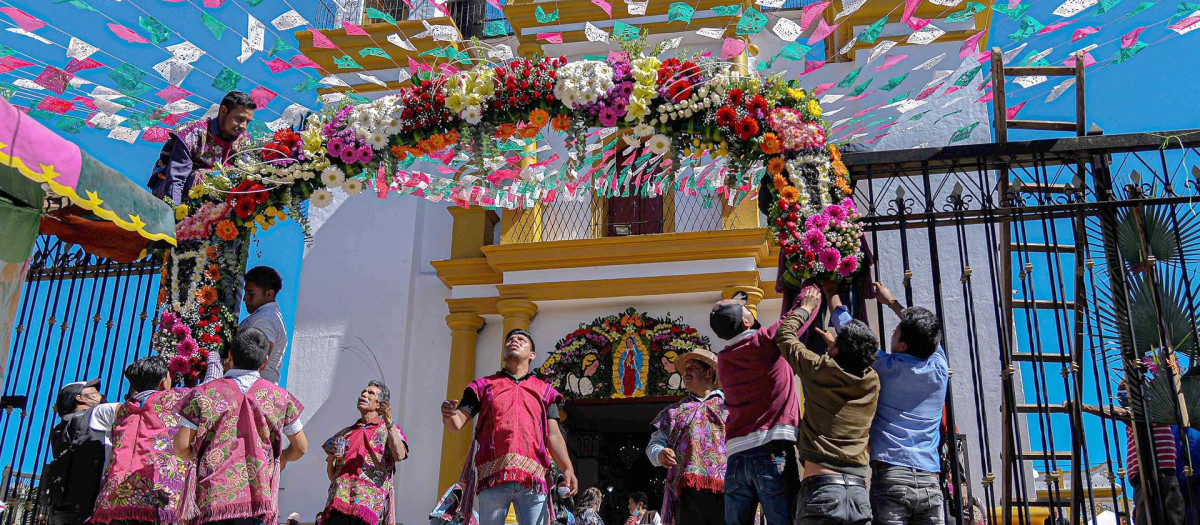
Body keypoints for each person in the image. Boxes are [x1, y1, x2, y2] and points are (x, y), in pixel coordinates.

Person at [828, 281, 947, 525]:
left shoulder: (885, 366)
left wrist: (832, 294)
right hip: (930, 478)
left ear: (902, 345)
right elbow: (927, 335)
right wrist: (892, 303)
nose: (893, 331)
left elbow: (851, 332)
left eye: (897, 331)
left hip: (892, 474)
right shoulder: (939, 367)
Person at [441, 328, 578, 525]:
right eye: (510, 340)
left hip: (533, 482)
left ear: (532, 355)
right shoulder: (483, 386)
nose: (514, 341)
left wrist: (567, 469)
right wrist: (448, 415)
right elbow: (456, 424)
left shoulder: (545, 392)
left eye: (521, 339)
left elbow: (553, 435)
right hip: (493, 478)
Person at [173, 327, 308, 525]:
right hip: (257, 499)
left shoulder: (203, 393)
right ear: (264, 362)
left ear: (230, 355)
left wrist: (198, 458)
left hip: (212, 493)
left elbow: (181, 446)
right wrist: (282, 459)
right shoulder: (280, 397)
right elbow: (301, 447)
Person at [777, 285, 880, 525]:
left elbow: (784, 336)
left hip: (821, 487)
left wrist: (805, 309)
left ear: (836, 350)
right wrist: (838, 349)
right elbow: (851, 363)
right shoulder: (872, 381)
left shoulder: (818, 369)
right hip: (857, 491)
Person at [709, 290, 804, 525]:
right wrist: (808, 290)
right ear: (745, 320)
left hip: (737, 455)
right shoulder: (765, 342)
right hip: (772, 448)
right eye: (746, 309)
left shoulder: (724, 359)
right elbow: (796, 319)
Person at [90, 356, 191, 525]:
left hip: (117, 496)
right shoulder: (173, 400)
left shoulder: (125, 410)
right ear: (162, 383)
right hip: (156, 492)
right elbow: (209, 394)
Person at [1074, 383, 1184, 525]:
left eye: (1124, 392)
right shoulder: (1139, 418)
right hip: (1145, 481)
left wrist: (1085, 407)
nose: (1120, 397)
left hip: (1158, 479)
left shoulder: (1149, 411)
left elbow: (1118, 412)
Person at [645, 348, 726, 525]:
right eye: (684, 369)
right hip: (686, 492)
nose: (685, 372)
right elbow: (655, 443)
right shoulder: (673, 411)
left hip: (727, 489)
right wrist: (659, 453)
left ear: (709, 372)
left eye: (692, 367)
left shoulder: (730, 407)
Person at [318, 381, 409, 525]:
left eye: (370, 393)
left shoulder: (389, 430)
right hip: (338, 501)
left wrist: (389, 421)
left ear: (380, 404)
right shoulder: (345, 433)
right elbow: (333, 476)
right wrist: (331, 458)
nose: (364, 395)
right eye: (363, 392)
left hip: (367, 505)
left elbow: (399, 455)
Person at [147, 90, 256, 204]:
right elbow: (176, 178)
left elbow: (245, 175)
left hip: (213, 195)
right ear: (223, 111)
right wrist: (174, 214)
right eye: (239, 119)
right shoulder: (193, 132)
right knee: (200, 177)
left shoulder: (244, 140)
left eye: (247, 122)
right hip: (172, 183)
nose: (244, 126)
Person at [42, 378, 107, 525]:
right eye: (95, 392)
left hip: (64, 506)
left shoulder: (61, 427)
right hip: (87, 506)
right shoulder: (89, 418)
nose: (101, 395)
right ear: (80, 398)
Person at [239, 266, 288, 384]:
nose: (245, 298)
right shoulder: (264, 315)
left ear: (269, 294)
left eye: (251, 293)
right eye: (246, 292)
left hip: (253, 391)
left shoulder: (266, 317)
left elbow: (256, 359)